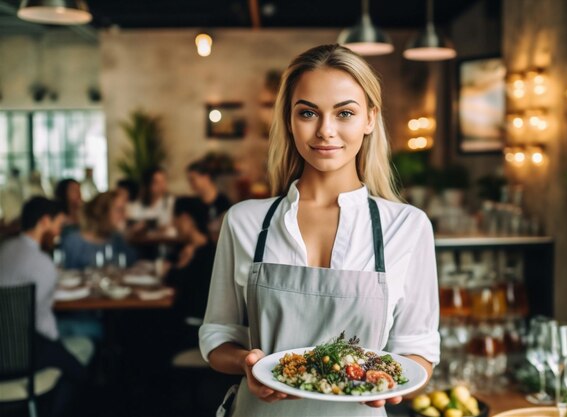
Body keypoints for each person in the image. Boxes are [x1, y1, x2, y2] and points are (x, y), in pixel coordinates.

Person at [199, 44, 440, 417]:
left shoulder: (407, 227)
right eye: (308, 112)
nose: (326, 131)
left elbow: (418, 350)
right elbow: (217, 337)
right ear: (290, 120)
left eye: (345, 113)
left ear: (370, 119)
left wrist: (396, 385)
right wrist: (247, 362)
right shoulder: (244, 221)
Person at [0, 197, 91, 417]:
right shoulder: (42, 263)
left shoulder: (4, 249)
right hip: (25, 354)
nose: (59, 232)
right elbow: (41, 324)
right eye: (58, 224)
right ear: (44, 222)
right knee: (79, 373)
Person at [163, 197, 215, 349]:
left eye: (176, 219)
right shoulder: (203, 249)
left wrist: (179, 266)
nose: (174, 224)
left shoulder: (202, 255)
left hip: (194, 329)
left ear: (186, 219)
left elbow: (172, 283)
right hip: (196, 325)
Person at [61, 190, 136, 270]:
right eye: (119, 210)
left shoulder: (117, 239)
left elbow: (131, 264)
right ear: (102, 212)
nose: (125, 215)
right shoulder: (73, 242)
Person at [186, 159, 232, 241]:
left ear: (206, 177)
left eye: (193, 180)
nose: (191, 186)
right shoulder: (193, 204)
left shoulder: (224, 203)